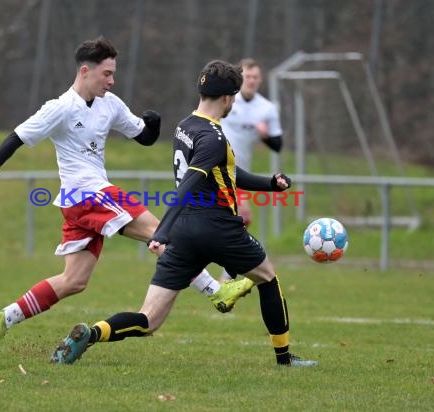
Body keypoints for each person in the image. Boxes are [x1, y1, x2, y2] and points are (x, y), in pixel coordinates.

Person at [0, 37, 254, 354]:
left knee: (74, 280)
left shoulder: (110, 103)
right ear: (85, 71)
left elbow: (142, 136)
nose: (111, 80)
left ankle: (3, 319)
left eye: (112, 73)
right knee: (161, 232)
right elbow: (17, 137)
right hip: (87, 194)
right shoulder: (60, 108)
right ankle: (216, 291)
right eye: (106, 74)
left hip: (84, 202)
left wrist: (153, 125)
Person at [51, 59, 317, 367]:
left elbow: (226, 172)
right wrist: (160, 230)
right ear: (229, 98)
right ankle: (285, 358)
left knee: (148, 319)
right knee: (268, 279)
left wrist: (270, 183)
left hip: (184, 236)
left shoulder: (186, 126)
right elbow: (189, 184)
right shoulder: (214, 137)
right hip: (218, 228)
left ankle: (93, 332)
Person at [218, 58, 283, 281]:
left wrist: (264, 135)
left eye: (255, 77)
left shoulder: (266, 108)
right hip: (215, 169)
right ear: (240, 78)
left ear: (260, 79)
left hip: (238, 175)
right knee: (234, 218)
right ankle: (220, 273)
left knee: (241, 219)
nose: (251, 81)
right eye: (247, 76)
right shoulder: (226, 101)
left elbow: (278, 144)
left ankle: (225, 275)